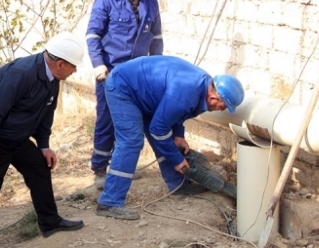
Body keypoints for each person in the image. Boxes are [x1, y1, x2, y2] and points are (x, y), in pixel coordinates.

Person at [0, 33, 87, 248]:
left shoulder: (52, 77)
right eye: (73, 66)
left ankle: (50, 221)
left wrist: (44, 145)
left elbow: (46, 111)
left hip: (14, 136)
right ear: (60, 63)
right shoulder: (22, 74)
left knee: (39, 166)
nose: (75, 71)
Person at [95, 55, 245, 220]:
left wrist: (179, 135)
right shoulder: (187, 93)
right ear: (213, 97)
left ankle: (178, 185)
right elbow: (159, 129)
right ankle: (109, 201)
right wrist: (177, 160)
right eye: (224, 106)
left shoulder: (203, 87)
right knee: (131, 141)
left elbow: (177, 112)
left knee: (169, 138)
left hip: (144, 93)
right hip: (123, 86)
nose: (222, 110)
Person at [86, 0, 164, 189]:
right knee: (107, 120)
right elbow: (93, 36)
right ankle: (100, 168)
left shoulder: (151, 3)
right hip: (111, 72)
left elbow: (156, 38)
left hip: (138, 75)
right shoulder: (106, 2)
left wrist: (156, 68)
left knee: (132, 121)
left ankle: (123, 166)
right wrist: (98, 64)